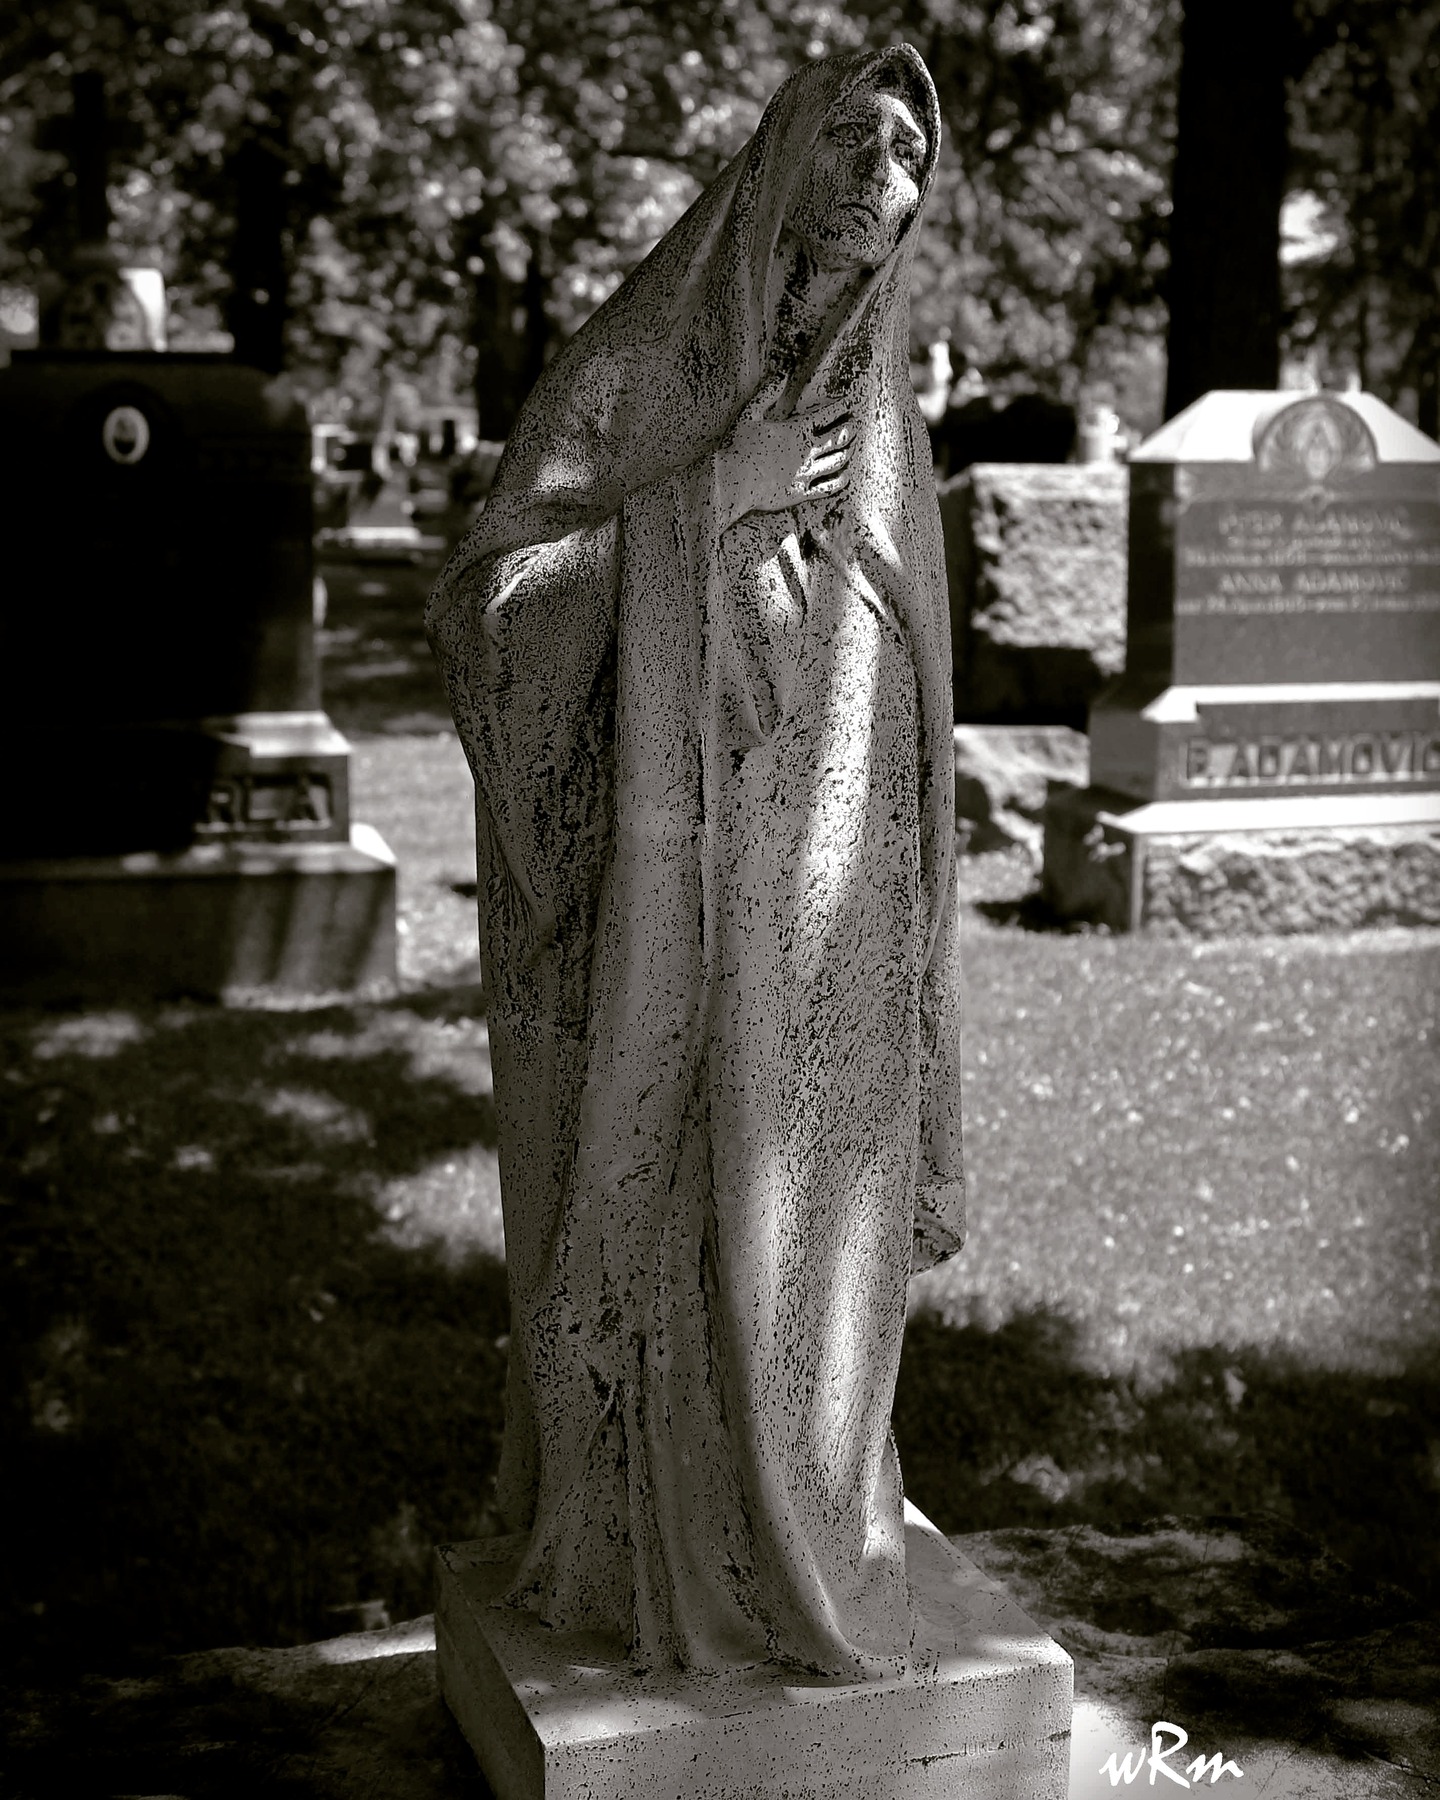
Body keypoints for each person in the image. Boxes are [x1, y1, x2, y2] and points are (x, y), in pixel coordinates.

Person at [427, 42, 966, 1682]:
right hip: (686, 903)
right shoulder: (634, 369)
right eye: (856, 136)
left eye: (912, 150)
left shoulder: (885, 419)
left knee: (820, 1218)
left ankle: (825, 1512)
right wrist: (702, 511)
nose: (885, 173)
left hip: (845, 911)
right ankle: (675, 1545)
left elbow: (917, 684)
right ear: (781, 148)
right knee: (689, 1207)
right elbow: (495, 618)